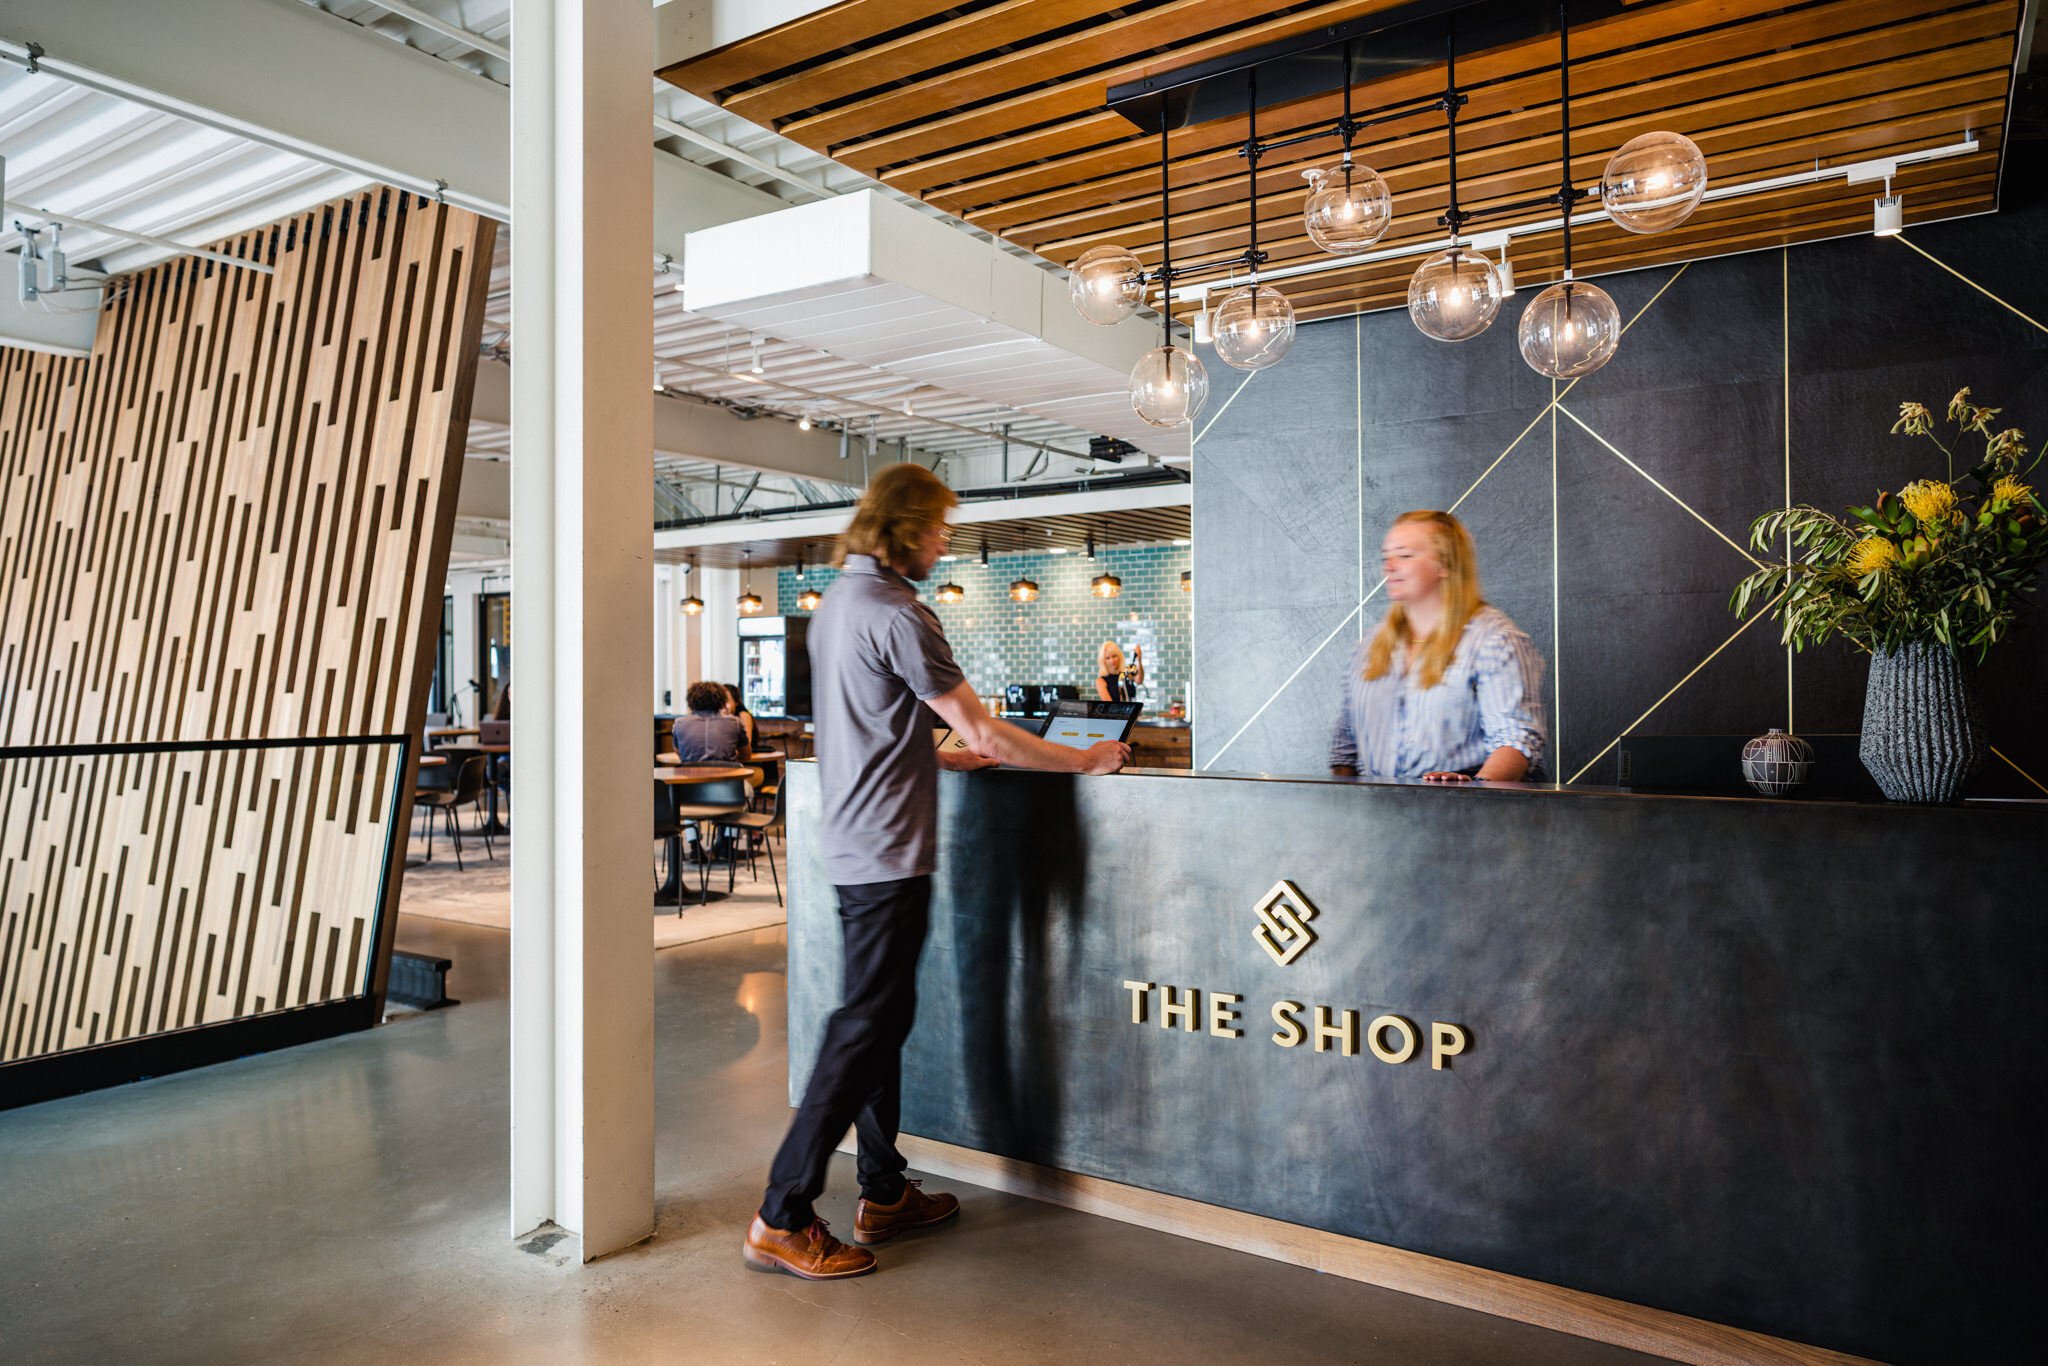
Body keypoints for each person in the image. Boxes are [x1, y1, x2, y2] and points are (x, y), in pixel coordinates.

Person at [744, 463, 1131, 1281]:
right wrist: (1085, 758)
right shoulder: (900, 613)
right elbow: (985, 732)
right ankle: (783, 1213)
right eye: (939, 528)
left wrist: (933, 756)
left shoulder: (837, 604)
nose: (945, 543)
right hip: (888, 851)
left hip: (856, 843)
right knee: (863, 1026)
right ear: (906, 527)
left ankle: (884, 1190)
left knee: (878, 1023)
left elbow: (876, 723)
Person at [1331, 510, 1547, 783]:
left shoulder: (1494, 640)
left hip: (1468, 808)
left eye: (1405, 555)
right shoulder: (1369, 646)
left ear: (1445, 564)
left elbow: (1515, 741)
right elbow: (1344, 750)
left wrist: (1470, 791)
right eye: (1386, 556)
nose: (1389, 566)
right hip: (1379, 808)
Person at [671, 680, 746, 764]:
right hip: (727, 771)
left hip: (690, 771)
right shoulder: (734, 722)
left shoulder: (679, 723)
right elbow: (746, 755)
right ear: (721, 700)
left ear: (691, 700)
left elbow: (679, 752)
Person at [721, 683, 758, 753]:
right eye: (721, 701)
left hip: (748, 757)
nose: (723, 705)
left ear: (736, 702)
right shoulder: (720, 717)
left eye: (727, 701)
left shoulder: (743, 715)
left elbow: (747, 743)